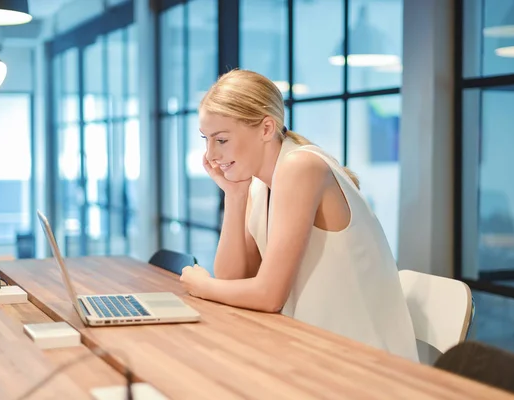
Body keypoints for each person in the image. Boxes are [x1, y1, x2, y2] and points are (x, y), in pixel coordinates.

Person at [179, 69, 418, 362]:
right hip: (312, 349)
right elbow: (233, 277)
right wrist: (235, 195)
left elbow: (269, 295)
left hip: (363, 363)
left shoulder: (300, 167)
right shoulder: (259, 182)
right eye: (206, 139)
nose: (210, 155)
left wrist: (201, 285)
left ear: (266, 129)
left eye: (221, 140)